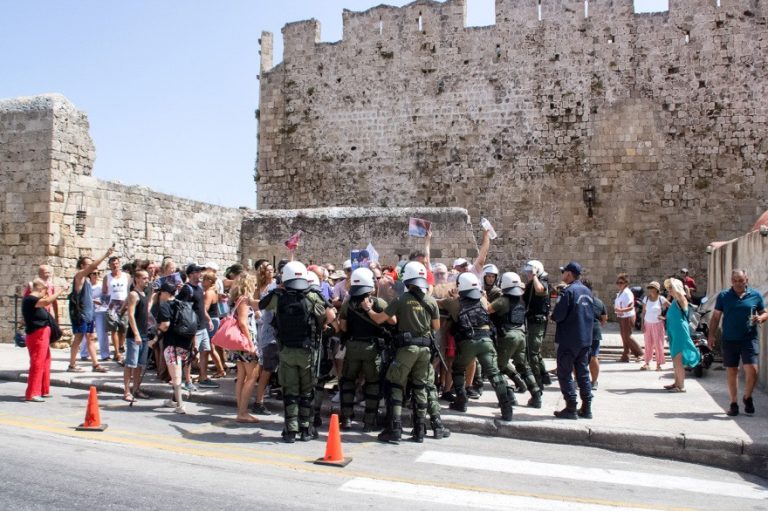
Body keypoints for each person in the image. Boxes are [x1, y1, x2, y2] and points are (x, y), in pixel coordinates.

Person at [365, 261, 442, 444]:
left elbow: (380, 319)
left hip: (406, 349)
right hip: (425, 350)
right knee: (420, 387)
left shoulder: (401, 300)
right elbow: (436, 327)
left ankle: (394, 429)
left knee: (395, 384)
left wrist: (368, 308)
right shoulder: (431, 301)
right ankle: (419, 431)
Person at [259, 261, 335, 443]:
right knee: (307, 392)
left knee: (290, 392)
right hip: (308, 351)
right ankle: (305, 429)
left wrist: (277, 288)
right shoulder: (312, 296)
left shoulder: (278, 296)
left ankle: (290, 431)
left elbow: (262, 304)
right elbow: (331, 315)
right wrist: (322, 323)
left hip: (286, 350)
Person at [440, 272, 514, 420]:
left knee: (458, 369)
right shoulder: (482, 300)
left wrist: (453, 297)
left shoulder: (453, 302)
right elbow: (488, 308)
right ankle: (507, 408)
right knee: (494, 373)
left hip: (468, 342)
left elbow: (435, 302)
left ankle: (461, 401)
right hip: (486, 341)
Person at [338, 267, 393, 431]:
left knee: (348, 382)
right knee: (373, 384)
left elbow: (343, 326)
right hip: (372, 348)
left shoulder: (347, 304)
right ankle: (369, 421)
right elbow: (393, 321)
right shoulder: (378, 303)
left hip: (353, 346)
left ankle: (346, 418)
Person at [708, 269, 767, 416]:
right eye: (735, 281)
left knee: (753, 370)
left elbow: (764, 312)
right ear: (731, 281)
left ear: (746, 280)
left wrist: (761, 318)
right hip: (730, 339)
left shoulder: (755, 295)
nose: (738, 283)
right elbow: (716, 317)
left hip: (749, 338)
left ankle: (747, 397)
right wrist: (711, 335)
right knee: (732, 371)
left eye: (741, 280)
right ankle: (733, 402)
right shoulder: (724, 296)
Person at [488, 272, 542, 408]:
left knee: (497, 367)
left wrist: (483, 297)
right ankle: (536, 395)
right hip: (521, 335)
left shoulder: (503, 300)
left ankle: (509, 396)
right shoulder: (521, 299)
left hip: (508, 336)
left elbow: (487, 310)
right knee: (523, 366)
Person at [550, 262, 594, 420]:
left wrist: (553, 316)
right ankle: (587, 407)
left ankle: (571, 407)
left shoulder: (567, 292)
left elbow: (558, 315)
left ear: (568, 274)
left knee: (564, 373)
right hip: (585, 339)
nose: (562, 275)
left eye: (564, 272)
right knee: (582, 373)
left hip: (569, 339)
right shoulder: (587, 291)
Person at [69, 248, 114, 372]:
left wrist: (94, 301)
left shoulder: (88, 280)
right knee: (78, 338)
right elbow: (94, 266)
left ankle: (95, 364)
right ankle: (72, 365)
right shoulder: (79, 276)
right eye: (88, 264)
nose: (91, 266)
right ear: (82, 266)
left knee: (90, 337)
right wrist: (105, 254)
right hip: (81, 314)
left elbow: (84, 296)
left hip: (88, 313)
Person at [23, 278, 67, 401]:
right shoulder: (31, 299)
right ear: (41, 288)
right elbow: (47, 301)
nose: (46, 293)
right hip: (37, 334)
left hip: (42, 334)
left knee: (45, 361)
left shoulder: (34, 300)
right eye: (45, 290)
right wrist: (60, 291)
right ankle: (32, 393)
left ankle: (42, 389)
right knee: (37, 363)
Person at [178, 264, 218, 389]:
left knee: (205, 351)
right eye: (196, 272)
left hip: (202, 326)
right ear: (190, 274)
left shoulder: (199, 289)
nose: (199, 274)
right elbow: (182, 308)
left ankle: (203, 377)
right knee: (190, 354)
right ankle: (187, 380)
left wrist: (208, 319)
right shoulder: (186, 289)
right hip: (193, 328)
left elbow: (201, 307)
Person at [228, 274, 261, 423]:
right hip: (245, 343)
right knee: (253, 376)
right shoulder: (243, 300)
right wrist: (250, 343)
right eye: (253, 283)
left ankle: (241, 410)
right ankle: (242, 412)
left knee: (241, 376)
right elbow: (242, 322)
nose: (255, 286)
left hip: (239, 343)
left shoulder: (237, 299)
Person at [155, 281, 191, 414]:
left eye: (160, 292)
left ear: (165, 293)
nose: (159, 295)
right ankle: (174, 400)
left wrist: (154, 338)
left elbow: (165, 324)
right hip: (184, 344)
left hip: (172, 344)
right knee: (177, 373)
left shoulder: (165, 306)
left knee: (175, 376)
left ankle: (180, 406)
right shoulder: (182, 304)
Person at [662, 278, 700, 393]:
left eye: (671, 288)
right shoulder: (674, 301)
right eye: (668, 288)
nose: (669, 290)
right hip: (674, 332)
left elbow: (680, 294)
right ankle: (676, 383)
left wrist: (675, 284)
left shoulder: (681, 299)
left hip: (680, 332)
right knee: (675, 359)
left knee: (678, 359)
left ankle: (681, 386)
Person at [253, 262, 278, 415]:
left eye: (271, 270)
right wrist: (257, 313)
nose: (271, 272)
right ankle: (259, 401)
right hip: (267, 330)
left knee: (266, 367)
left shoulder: (274, 286)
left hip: (268, 329)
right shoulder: (267, 289)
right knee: (266, 368)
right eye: (268, 270)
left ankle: (261, 397)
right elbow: (255, 305)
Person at [521, 260, 552, 387]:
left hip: (537, 321)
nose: (528, 274)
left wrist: (534, 276)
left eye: (530, 272)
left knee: (532, 352)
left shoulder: (542, 281)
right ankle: (544, 376)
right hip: (531, 320)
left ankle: (537, 380)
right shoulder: (532, 283)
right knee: (534, 351)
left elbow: (541, 290)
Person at [123, 270, 150, 401]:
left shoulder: (144, 293)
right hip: (135, 335)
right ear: (137, 279)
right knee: (131, 364)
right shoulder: (134, 294)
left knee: (140, 365)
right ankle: (127, 391)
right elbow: (131, 315)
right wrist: (136, 333)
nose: (147, 280)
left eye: (147, 278)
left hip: (145, 334)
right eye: (144, 278)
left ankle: (136, 388)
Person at [103, 255, 130, 363]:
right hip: (112, 305)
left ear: (119, 264)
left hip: (124, 304)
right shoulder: (107, 277)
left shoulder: (126, 276)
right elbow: (104, 292)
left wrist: (129, 303)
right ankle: (117, 352)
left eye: (116, 263)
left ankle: (120, 346)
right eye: (112, 264)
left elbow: (130, 289)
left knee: (123, 328)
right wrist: (105, 304)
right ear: (109, 265)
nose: (115, 265)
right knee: (114, 328)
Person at [582, 279, 607, 389]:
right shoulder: (599, 302)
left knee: (578, 357)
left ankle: (578, 380)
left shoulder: (579, 300)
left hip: (581, 331)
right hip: (595, 331)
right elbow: (604, 318)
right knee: (594, 357)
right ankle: (594, 382)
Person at [613, 273, 643, 362]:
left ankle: (640, 353)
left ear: (626, 283)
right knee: (623, 336)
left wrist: (621, 310)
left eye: (621, 282)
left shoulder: (627, 293)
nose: (619, 284)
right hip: (622, 316)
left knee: (627, 336)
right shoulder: (620, 293)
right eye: (617, 282)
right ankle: (625, 355)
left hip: (627, 316)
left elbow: (631, 306)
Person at [202, 270, 227, 378]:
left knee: (211, 347)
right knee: (211, 347)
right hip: (214, 319)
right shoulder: (214, 291)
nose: (202, 282)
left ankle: (221, 370)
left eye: (204, 279)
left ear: (209, 280)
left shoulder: (209, 293)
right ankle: (220, 369)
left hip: (210, 320)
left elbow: (205, 309)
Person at [640, 281, 668, 371]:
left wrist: (664, 317)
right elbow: (643, 312)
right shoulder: (646, 299)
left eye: (652, 288)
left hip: (658, 324)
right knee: (648, 344)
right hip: (647, 323)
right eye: (649, 288)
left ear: (657, 290)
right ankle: (647, 363)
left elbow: (672, 308)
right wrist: (642, 324)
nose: (650, 289)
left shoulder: (661, 299)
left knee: (658, 344)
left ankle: (658, 365)